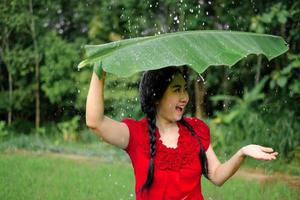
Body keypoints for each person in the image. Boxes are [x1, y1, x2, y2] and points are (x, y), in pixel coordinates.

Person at [86, 66, 278, 200]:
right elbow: (95, 122)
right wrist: (99, 72)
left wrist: (242, 152)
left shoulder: (196, 130)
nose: (185, 97)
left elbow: (217, 176)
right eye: (176, 90)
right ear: (156, 96)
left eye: (185, 89)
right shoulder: (136, 134)